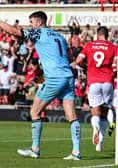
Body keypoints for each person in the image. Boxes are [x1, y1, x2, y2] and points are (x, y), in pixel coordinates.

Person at [0, 11, 81, 160]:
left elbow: (13, 30)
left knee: (34, 112)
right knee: (71, 115)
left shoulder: (39, 33)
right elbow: (68, 57)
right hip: (68, 77)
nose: (30, 25)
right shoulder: (59, 36)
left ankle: (35, 149)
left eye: (31, 22)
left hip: (55, 78)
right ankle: (76, 152)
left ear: (38, 22)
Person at [74, 26, 117, 151]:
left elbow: (78, 61)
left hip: (94, 82)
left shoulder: (89, 45)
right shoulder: (113, 47)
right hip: (108, 82)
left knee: (95, 111)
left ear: (97, 35)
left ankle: (95, 127)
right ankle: (100, 144)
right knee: (104, 114)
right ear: (107, 35)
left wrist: (87, 67)